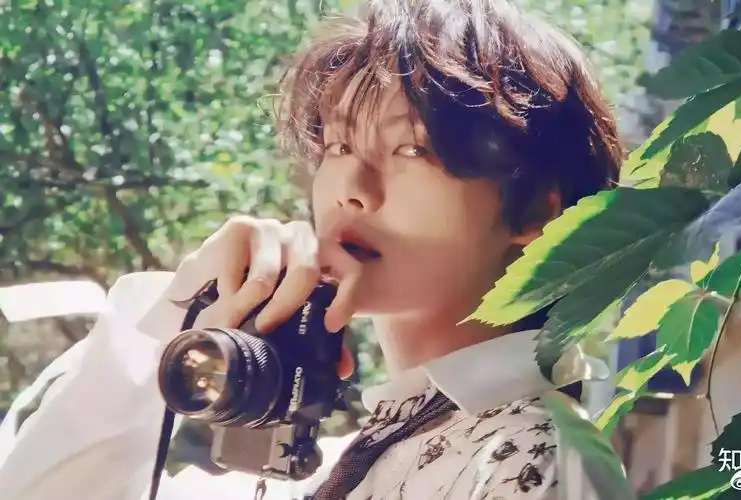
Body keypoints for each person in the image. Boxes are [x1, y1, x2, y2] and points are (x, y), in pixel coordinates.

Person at [0, 0, 624, 498]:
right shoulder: (339, 458)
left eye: (411, 149)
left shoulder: (531, 460)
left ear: (537, 210)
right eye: (338, 146)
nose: (351, 188)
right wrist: (177, 311)